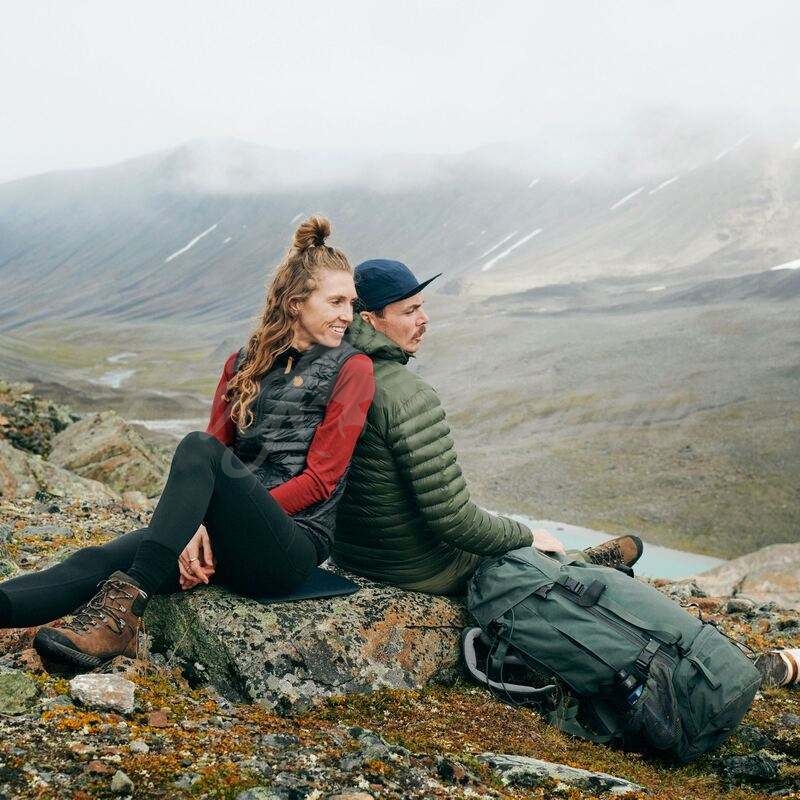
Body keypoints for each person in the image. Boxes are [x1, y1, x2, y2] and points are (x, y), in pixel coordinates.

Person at [0, 217, 375, 668]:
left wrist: (211, 523)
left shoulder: (352, 369)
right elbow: (214, 454)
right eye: (336, 301)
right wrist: (192, 528)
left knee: (196, 447)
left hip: (290, 545)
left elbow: (320, 481)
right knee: (96, 561)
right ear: (296, 304)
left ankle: (123, 617)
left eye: (350, 302)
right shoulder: (243, 362)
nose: (348, 315)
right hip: (230, 537)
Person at [333, 259, 642, 595]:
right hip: (420, 566)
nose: (424, 319)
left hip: (353, 556)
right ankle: (581, 561)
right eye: (410, 311)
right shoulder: (407, 394)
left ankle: (576, 557)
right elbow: (453, 518)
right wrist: (526, 535)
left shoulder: (328, 370)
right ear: (369, 320)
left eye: (421, 307)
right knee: (525, 558)